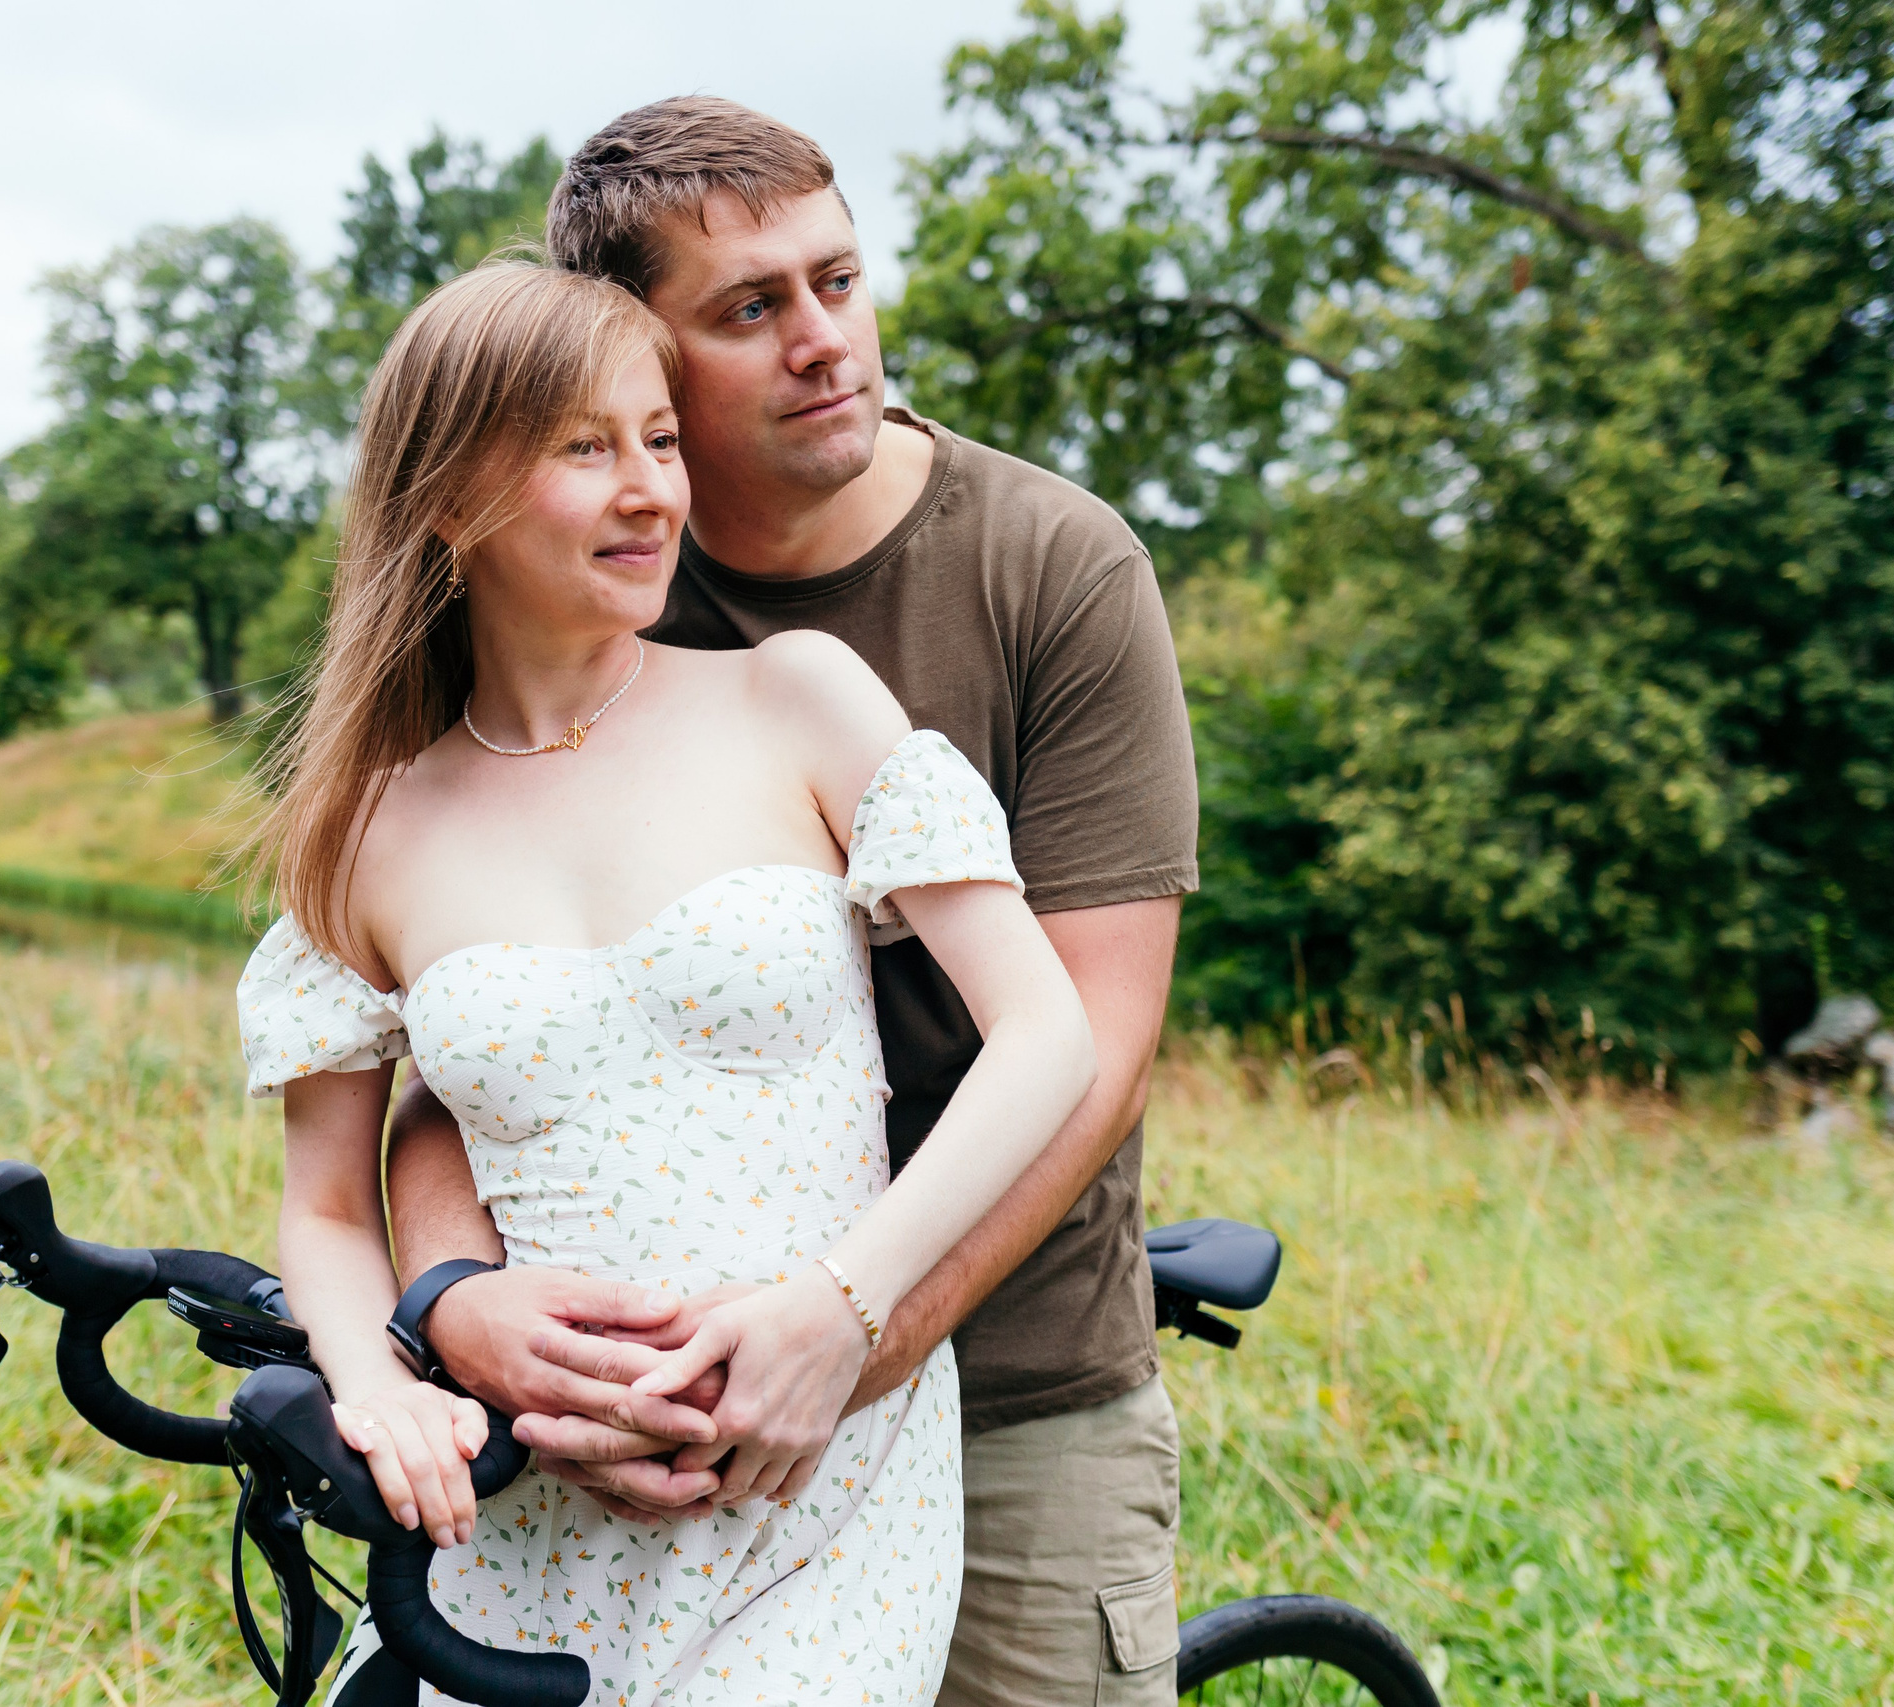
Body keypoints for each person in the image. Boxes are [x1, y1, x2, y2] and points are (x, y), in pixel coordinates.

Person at [385, 101, 1201, 1706]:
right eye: (751, 309)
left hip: (1014, 1364)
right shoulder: (579, 572)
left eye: (836, 279)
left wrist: (856, 1338)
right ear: (631, 354)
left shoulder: (1055, 567)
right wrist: (454, 1302)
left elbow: (1096, 1042)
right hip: (638, 1431)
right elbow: (451, 1044)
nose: (825, 341)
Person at [236, 261, 1095, 1705]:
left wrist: (845, 1307)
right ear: (448, 500)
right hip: (526, 1500)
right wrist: (385, 1385)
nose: (648, 490)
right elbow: (325, 1202)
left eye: (660, 440)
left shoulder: (793, 700)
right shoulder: (367, 831)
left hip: (819, 1482)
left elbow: (1048, 1034)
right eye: (585, 448)